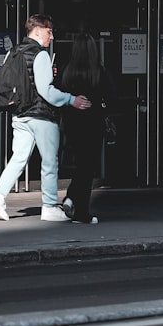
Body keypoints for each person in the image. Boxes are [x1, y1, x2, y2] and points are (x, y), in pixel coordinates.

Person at [0, 14, 92, 222]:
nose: (51, 37)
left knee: (18, 159)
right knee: (49, 162)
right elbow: (46, 90)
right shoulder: (40, 54)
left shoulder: (13, 52)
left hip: (19, 114)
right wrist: (71, 99)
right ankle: (50, 206)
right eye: (49, 31)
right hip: (42, 116)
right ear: (37, 30)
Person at [56, 33, 115, 224]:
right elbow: (111, 98)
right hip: (93, 125)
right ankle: (81, 211)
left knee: (82, 165)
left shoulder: (67, 71)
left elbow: (58, 95)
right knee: (87, 168)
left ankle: (71, 199)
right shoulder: (98, 72)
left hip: (72, 125)